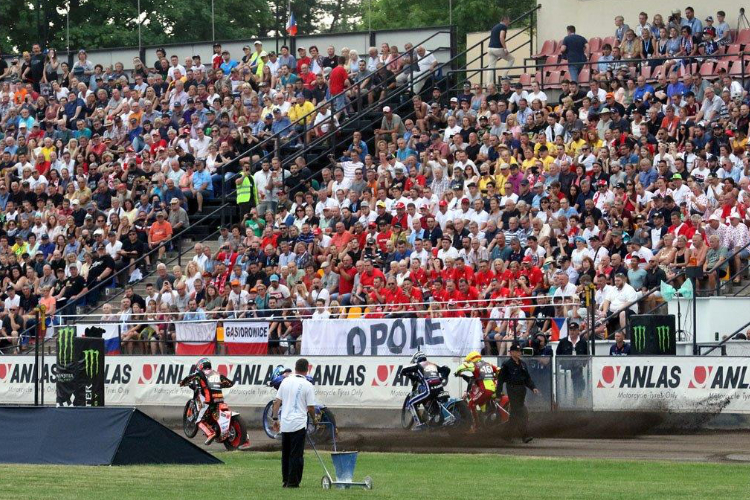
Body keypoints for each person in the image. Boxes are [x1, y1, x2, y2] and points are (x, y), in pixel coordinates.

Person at [271, 358, 316, 489]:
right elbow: (311, 408)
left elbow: (277, 402)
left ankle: (285, 480)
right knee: (296, 454)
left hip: (285, 423)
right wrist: (314, 420)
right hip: (298, 424)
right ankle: (293, 482)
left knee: (286, 454)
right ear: (307, 369)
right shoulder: (308, 385)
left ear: (295, 368)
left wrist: (275, 419)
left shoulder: (285, 381)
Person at [178, 357, 234, 445]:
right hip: (220, 400)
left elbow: (189, 377)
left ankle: (210, 433)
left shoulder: (200, 373)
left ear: (200, 366)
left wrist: (182, 382)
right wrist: (218, 385)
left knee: (198, 420)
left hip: (209, 401)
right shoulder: (217, 374)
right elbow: (230, 383)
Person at [496, 343, 538, 442]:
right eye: (517, 351)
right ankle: (525, 435)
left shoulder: (522, 364)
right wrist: (498, 394)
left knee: (514, 415)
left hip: (521, 389)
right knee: (521, 412)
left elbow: (527, 378)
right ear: (511, 353)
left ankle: (506, 435)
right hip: (512, 389)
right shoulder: (507, 365)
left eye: (519, 351)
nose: (519, 353)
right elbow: (500, 380)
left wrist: (533, 387)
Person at [400, 350, 451, 430]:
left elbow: (403, 369)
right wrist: (442, 378)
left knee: (411, 402)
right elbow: (447, 369)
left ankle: (420, 424)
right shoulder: (433, 364)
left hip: (430, 390)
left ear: (416, 359)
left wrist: (405, 374)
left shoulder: (418, 365)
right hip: (440, 388)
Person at [454, 351, 499, 431]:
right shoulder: (488, 364)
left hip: (485, 390)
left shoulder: (475, 365)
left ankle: (476, 425)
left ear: (472, 359)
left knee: (471, 403)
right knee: (482, 403)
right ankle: (487, 421)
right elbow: (498, 369)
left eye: (469, 361)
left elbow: (463, 366)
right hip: (494, 388)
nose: (469, 362)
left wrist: (457, 372)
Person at [487, 16, 514, 80]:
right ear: (505, 20)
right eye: (508, 21)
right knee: (511, 59)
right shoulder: (503, 27)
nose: (509, 22)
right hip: (498, 48)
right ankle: (504, 76)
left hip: (490, 48)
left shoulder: (495, 27)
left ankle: (488, 84)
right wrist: (505, 48)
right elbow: (501, 37)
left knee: (491, 67)